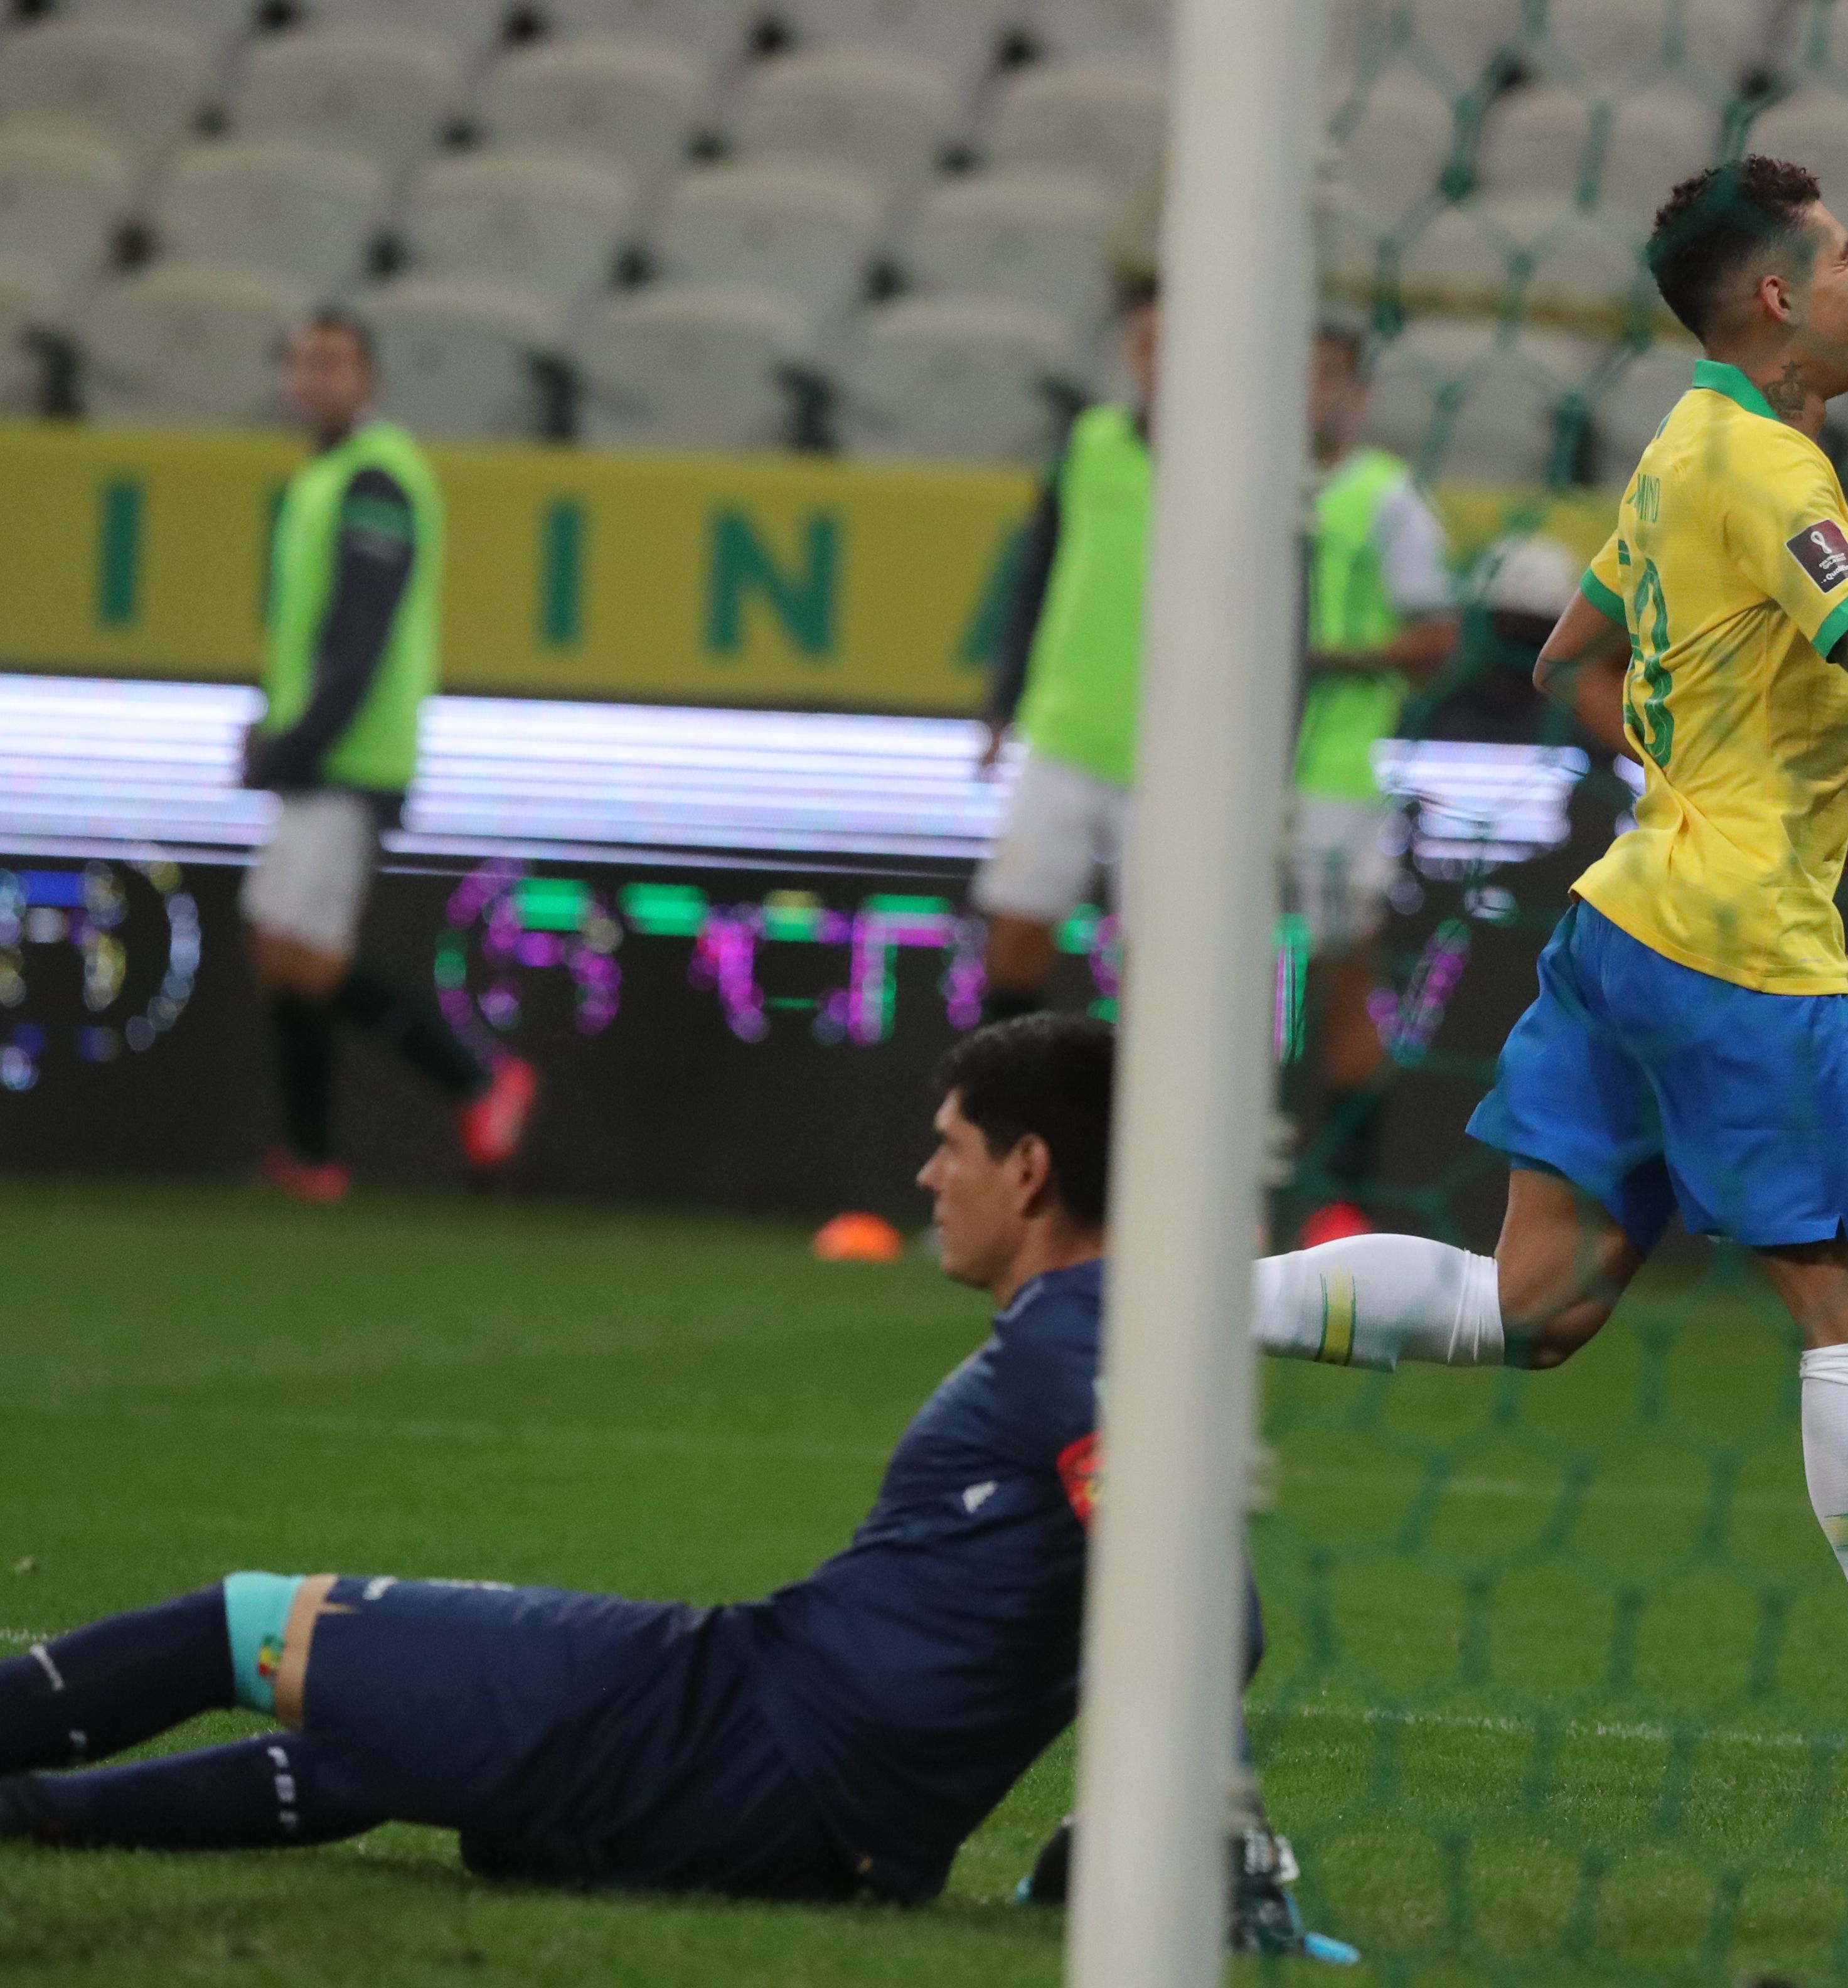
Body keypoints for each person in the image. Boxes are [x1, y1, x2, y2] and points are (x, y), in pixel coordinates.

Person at [1242, 158, 1848, 1800]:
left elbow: (1566, 656)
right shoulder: (1763, 459)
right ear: (1779, 296)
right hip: (1733, 962)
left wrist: (1761, 780)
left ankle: (1165, 1316)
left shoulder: (1679, 442)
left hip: (1623, 926)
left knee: (1540, 1306)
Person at [0, 1017, 1338, 1953]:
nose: (928, 1178)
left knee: (255, 1622)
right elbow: (1208, 1600)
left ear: (1030, 1168)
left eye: (951, 1147)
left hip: (733, 1738)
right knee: (405, 1739)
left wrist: (1202, 1830)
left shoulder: (1067, 1333)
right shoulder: (1125, 1342)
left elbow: (1179, 1591)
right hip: (830, 1828)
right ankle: (41, 1817)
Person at [241, 308, 535, 1200]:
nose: (315, 380)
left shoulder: (375, 479)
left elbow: (359, 635)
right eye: (304, 364)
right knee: (282, 944)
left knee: (305, 952)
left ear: (369, 378)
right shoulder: (328, 476)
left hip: (351, 755)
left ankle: (475, 1081)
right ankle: (311, 1153)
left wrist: (302, 739)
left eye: (333, 363)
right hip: (321, 751)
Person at [1290, 319, 1461, 1244]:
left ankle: (1345, 1204)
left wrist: (1327, 658)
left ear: (1353, 393)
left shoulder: (1386, 499)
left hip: (1336, 778)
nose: (1307, 394)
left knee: (1342, 982)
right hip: (1226, 776)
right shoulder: (1228, 483)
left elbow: (1438, 638)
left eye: (1324, 376)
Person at [970, 278, 1160, 1025]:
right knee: (1018, 926)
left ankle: (1153, 1125)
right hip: (1066, 729)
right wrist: (1001, 702)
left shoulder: (1231, 460)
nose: (1158, 358)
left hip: (1175, 752)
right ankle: (997, 1105)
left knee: (1158, 950)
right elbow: (1037, 573)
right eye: (1146, 343)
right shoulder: (1087, 444)